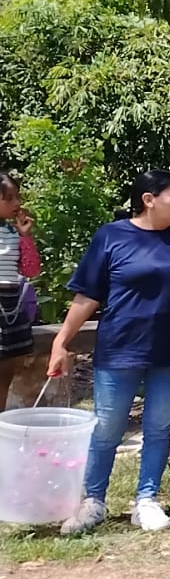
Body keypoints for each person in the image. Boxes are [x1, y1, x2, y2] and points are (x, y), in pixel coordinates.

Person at [53, 171, 170, 534]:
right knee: (107, 428)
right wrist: (61, 341)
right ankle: (92, 501)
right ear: (149, 199)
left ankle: (146, 500)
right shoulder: (111, 236)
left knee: (158, 427)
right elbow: (87, 295)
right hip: (120, 348)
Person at [0, 173, 40, 408]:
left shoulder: (13, 232)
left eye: (18, 197)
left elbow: (31, 269)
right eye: (9, 198)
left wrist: (25, 237)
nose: (17, 204)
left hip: (11, 304)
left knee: (5, 370)